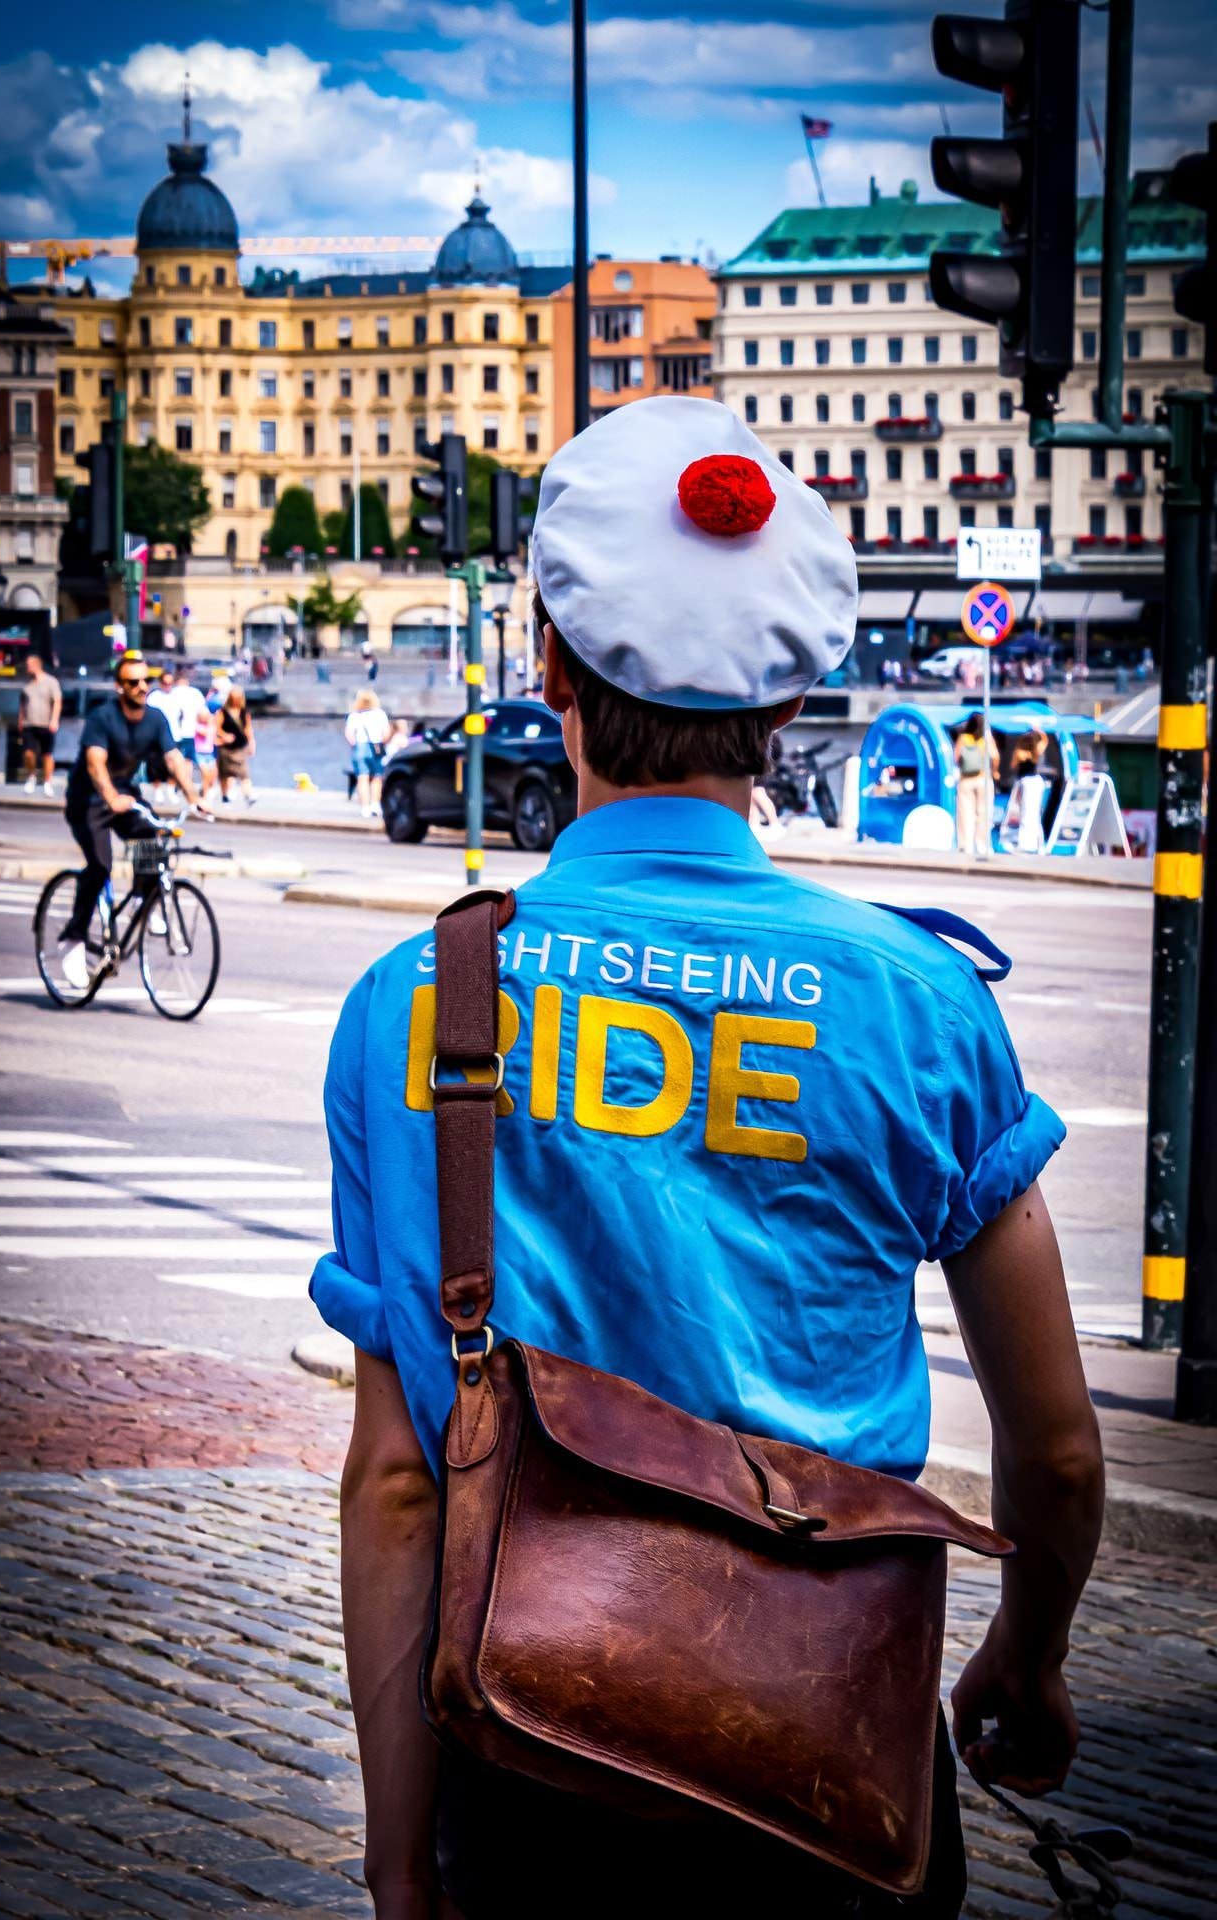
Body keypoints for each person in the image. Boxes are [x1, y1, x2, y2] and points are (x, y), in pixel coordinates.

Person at [315, 398, 1102, 1920]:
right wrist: (1030, 1652)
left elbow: (400, 1487)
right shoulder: (915, 1002)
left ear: (547, 670)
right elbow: (1059, 1454)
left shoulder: (417, 1006)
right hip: (831, 1751)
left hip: (531, 1753)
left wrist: (402, 1864)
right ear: (791, 703)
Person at [59, 652, 207, 989]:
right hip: (89, 801)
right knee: (99, 867)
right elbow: (95, 763)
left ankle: (142, 898)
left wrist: (193, 797)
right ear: (119, 686)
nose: (141, 687)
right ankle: (74, 938)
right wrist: (110, 796)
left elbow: (173, 759)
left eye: (146, 681)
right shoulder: (103, 718)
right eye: (133, 682)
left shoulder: (155, 718)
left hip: (125, 796)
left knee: (152, 837)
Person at [148, 663, 210, 802]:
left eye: (170, 683)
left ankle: (172, 789)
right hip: (157, 735)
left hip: (175, 734)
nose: (168, 686)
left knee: (176, 763)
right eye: (165, 683)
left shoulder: (176, 695)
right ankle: (158, 790)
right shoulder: (154, 696)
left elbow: (185, 713)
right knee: (156, 764)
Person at [954, 712, 999, 857]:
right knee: (983, 813)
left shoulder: (963, 738)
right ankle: (982, 844)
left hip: (966, 780)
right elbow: (995, 756)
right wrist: (995, 771)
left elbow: (956, 758)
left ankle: (965, 845)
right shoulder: (986, 738)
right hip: (983, 779)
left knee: (965, 813)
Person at [17, 653, 62, 795]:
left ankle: (47, 782)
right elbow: (23, 705)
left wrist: (54, 720)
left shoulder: (51, 682)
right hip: (29, 724)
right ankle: (32, 776)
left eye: (29, 665)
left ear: (36, 665)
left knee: (47, 755)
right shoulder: (27, 686)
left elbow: (57, 701)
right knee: (28, 753)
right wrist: (20, 720)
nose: (27, 667)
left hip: (46, 724)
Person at [344, 689, 391, 818]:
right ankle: (375, 805)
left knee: (362, 778)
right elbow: (386, 734)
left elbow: (349, 735)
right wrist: (381, 744)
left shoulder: (354, 715)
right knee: (377, 777)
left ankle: (365, 808)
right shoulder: (380, 714)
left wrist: (354, 745)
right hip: (376, 747)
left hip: (360, 747)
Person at [215, 685, 256, 806]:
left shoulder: (244, 712)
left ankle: (248, 794)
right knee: (227, 773)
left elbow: (248, 729)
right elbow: (216, 728)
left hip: (240, 747)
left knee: (243, 773)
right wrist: (224, 736)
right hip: (226, 748)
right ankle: (225, 795)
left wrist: (252, 743)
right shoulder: (222, 712)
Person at [1010, 750, 1049, 856]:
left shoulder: (1021, 753)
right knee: (1035, 815)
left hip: (1027, 782)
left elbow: (1013, 765)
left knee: (1026, 814)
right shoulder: (1038, 751)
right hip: (1037, 781)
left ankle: (1026, 845)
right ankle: (1039, 845)